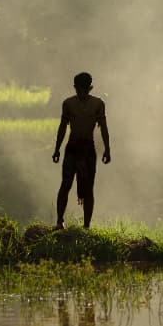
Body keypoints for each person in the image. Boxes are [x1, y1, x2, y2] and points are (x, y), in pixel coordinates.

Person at [52, 72, 111, 229]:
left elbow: (104, 128)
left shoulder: (98, 104)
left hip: (87, 149)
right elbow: (62, 127)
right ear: (75, 88)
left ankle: (86, 225)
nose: (82, 93)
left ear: (90, 88)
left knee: (88, 188)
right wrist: (57, 149)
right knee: (66, 184)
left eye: (84, 89)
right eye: (79, 89)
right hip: (72, 148)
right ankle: (59, 221)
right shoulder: (68, 104)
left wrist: (107, 149)